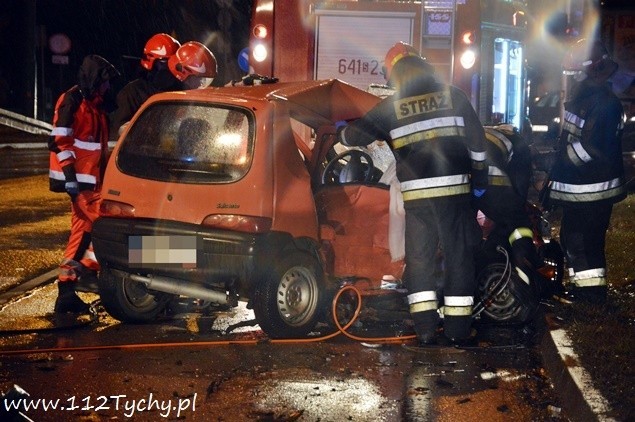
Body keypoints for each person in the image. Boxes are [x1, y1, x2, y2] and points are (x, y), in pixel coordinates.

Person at [545, 39, 627, 305]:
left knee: (584, 243)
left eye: (576, 73)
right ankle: (581, 291)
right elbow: (572, 139)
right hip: (581, 188)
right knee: (571, 237)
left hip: (593, 189)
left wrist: (557, 163)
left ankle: (591, 298)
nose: (572, 80)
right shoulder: (586, 99)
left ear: (594, 70)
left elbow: (590, 150)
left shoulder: (605, 104)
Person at [48, 54, 119, 313]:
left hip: (88, 182)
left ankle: (67, 289)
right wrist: (70, 179)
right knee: (108, 222)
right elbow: (59, 141)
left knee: (82, 232)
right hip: (79, 182)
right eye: (105, 82)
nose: (108, 88)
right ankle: (89, 272)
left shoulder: (95, 105)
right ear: (93, 81)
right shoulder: (73, 101)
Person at [109, 33, 182, 142]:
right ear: (151, 64)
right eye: (165, 64)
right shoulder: (132, 93)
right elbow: (118, 136)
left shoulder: (180, 91)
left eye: (175, 64)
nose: (171, 69)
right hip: (142, 155)